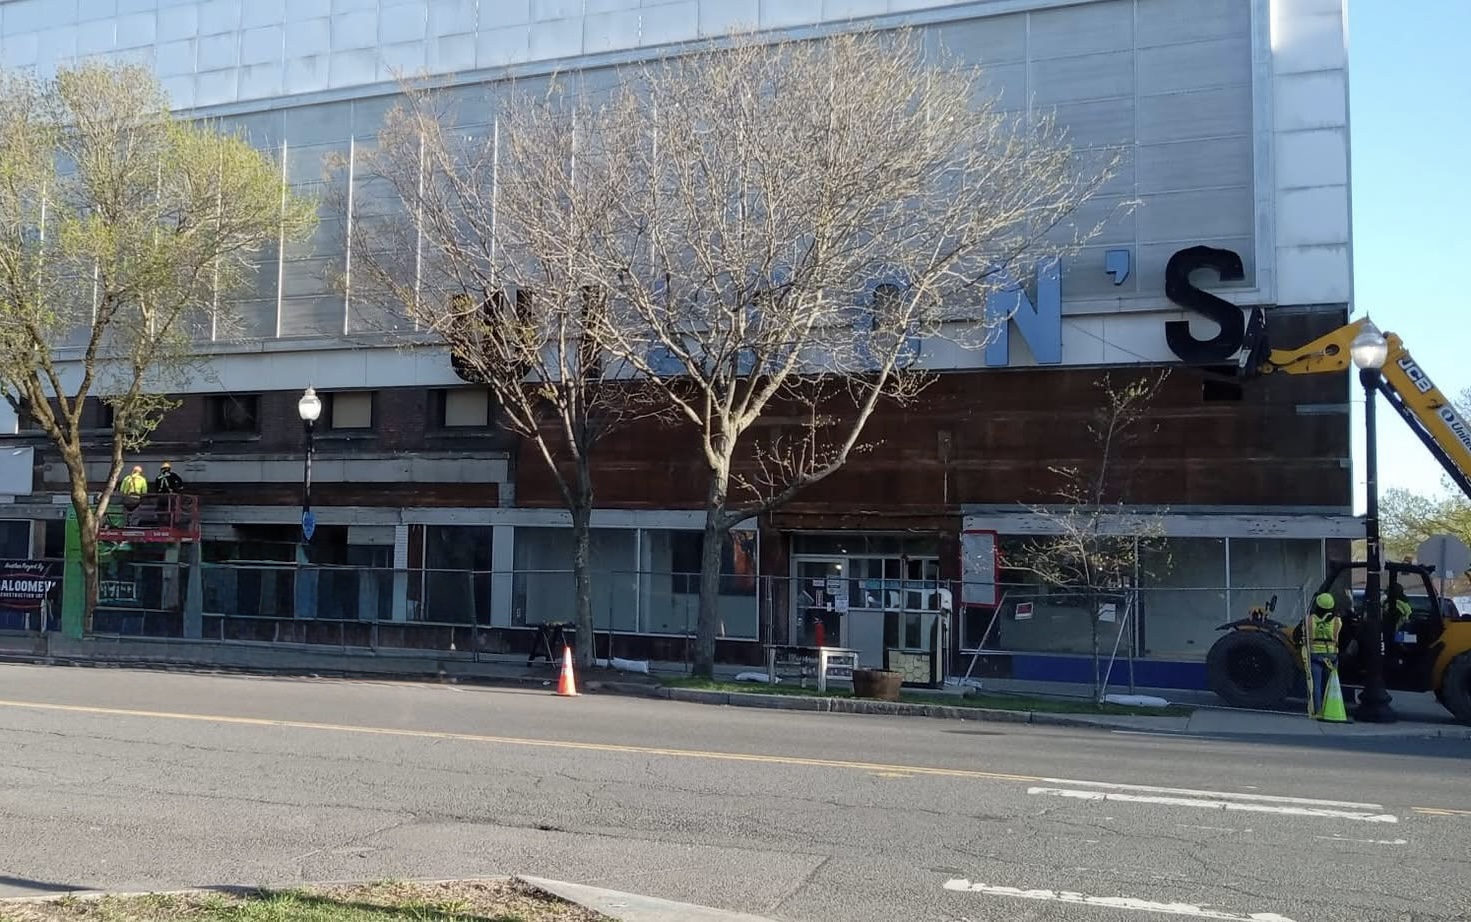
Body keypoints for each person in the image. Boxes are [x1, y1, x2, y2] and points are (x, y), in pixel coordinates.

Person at [1307, 591, 1341, 719]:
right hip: (1332, 655)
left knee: (1316, 685)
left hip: (1315, 655)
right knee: (1331, 684)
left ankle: (1318, 711)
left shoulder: (1309, 620)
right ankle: (1331, 708)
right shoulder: (1337, 621)